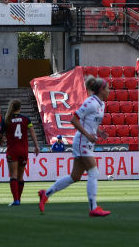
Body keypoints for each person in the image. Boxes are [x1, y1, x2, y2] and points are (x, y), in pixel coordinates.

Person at [38, 76, 112, 217]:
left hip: (88, 141)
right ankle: (93, 208)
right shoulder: (90, 103)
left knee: (75, 176)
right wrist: (87, 134)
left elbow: (90, 121)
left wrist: (99, 131)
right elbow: (74, 120)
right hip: (82, 141)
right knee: (94, 172)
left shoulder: (101, 104)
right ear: (101, 90)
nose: (109, 91)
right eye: (107, 88)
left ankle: (45, 194)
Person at [0, 98, 40, 206]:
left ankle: (16, 200)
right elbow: (32, 133)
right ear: (20, 108)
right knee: (20, 176)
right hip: (24, 150)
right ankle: (19, 199)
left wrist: (1, 140)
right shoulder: (26, 119)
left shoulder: (6, 119)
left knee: (13, 176)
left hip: (12, 150)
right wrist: (36, 146)